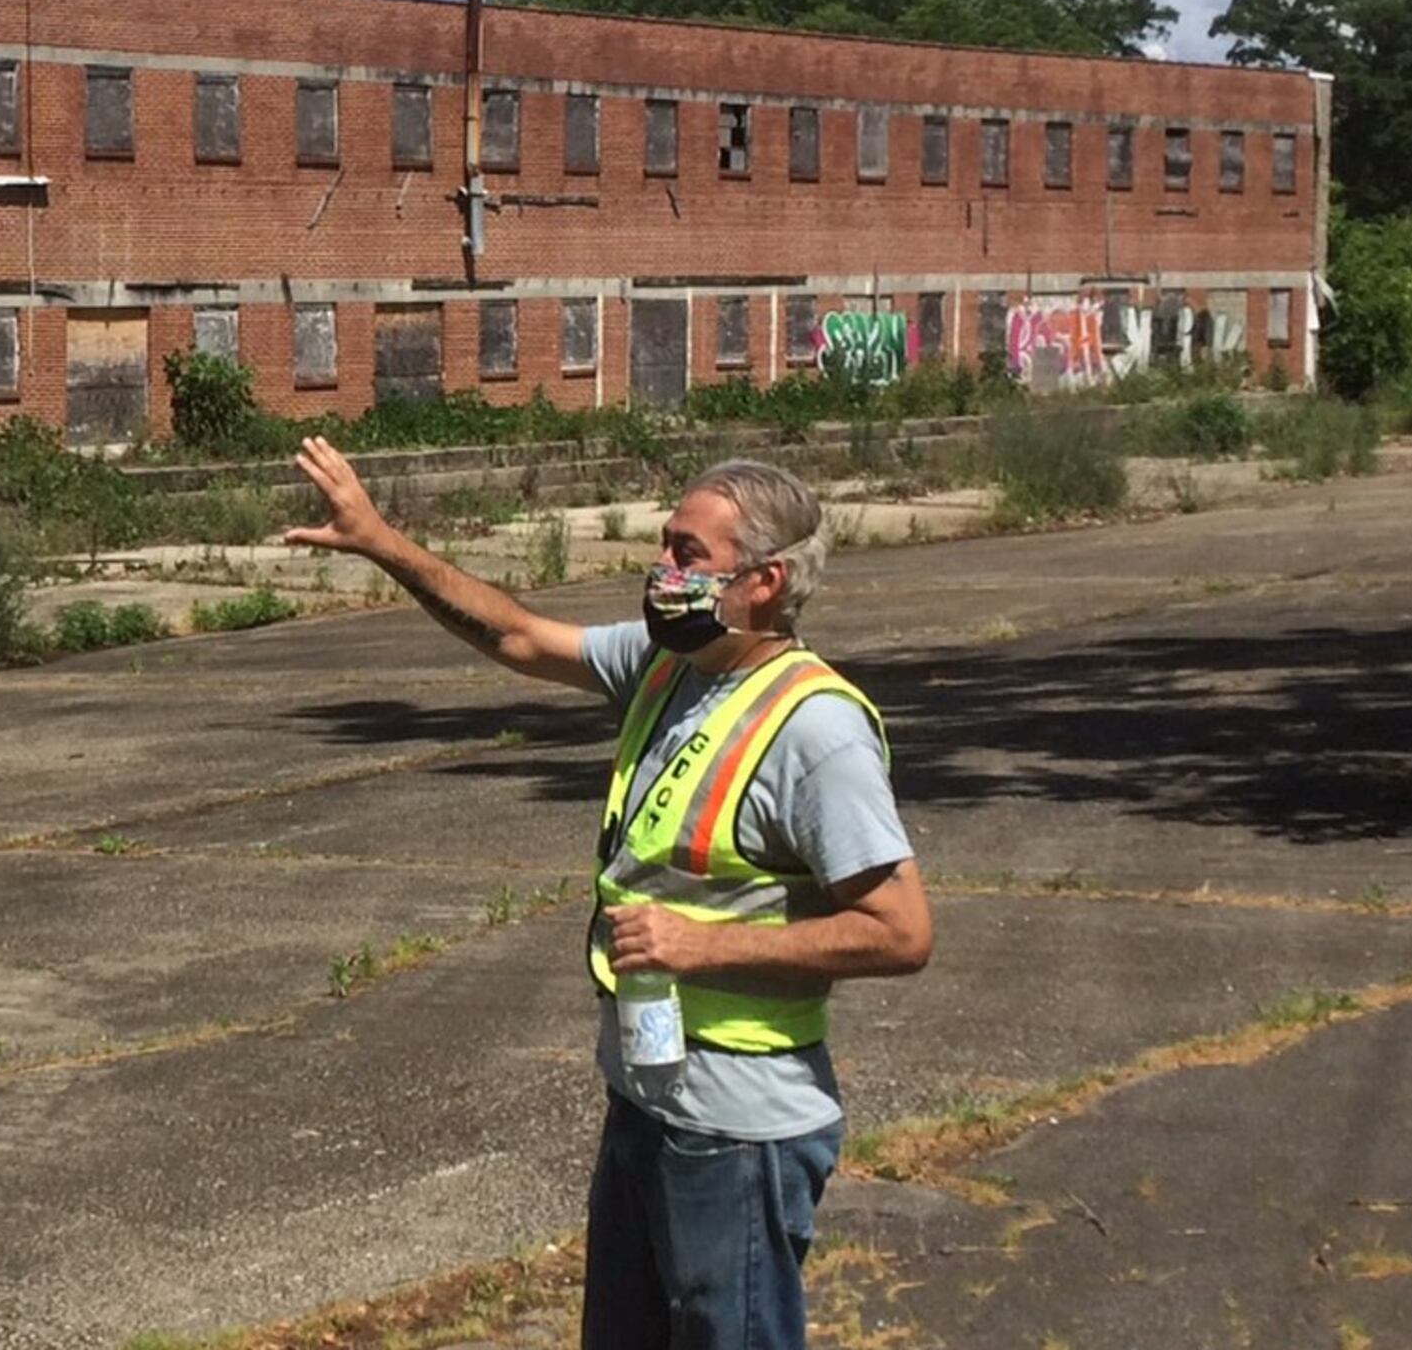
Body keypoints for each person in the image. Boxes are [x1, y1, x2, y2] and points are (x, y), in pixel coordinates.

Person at [283, 438, 930, 1350]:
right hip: (647, 1095)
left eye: (688, 556)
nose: (660, 570)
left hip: (740, 1129)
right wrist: (382, 540)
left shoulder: (816, 731)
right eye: (663, 545)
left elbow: (901, 931)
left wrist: (704, 947)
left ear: (765, 583)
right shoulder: (671, 668)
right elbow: (518, 635)